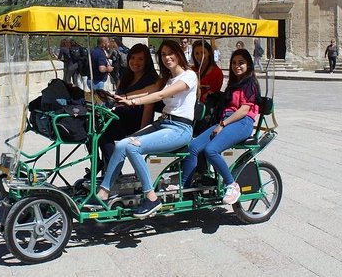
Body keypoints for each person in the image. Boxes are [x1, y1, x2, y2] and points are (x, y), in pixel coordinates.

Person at [96, 39, 197, 219]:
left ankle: (151, 198)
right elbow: (147, 89)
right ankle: (104, 192)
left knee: (133, 146)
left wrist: (132, 102)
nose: (167, 58)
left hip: (180, 129)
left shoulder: (189, 76)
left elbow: (159, 95)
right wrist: (121, 97)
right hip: (164, 124)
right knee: (121, 145)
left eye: (170, 53)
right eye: (163, 55)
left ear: (179, 54)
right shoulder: (166, 78)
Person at [181, 49, 261, 205]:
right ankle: (184, 186)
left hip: (242, 122)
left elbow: (244, 109)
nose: (236, 66)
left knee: (211, 150)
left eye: (241, 63)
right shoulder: (234, 83)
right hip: (226, 121)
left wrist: (223, 124)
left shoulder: (250, 84)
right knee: (193, 146)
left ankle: (232, 184)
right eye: (234, 63)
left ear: (249, 65)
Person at [97, 44, 159, 170]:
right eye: (133, 58)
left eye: (140, 59)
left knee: (104, 133)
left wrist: (141, 133)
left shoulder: (151, 78)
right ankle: (101, 164)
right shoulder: (126, 75)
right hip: (120, 116)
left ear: (147, 61)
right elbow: (119, 99)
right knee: (93, 127)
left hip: (136, 121)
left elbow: (149, 107)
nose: (135, 62)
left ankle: (112, 169)